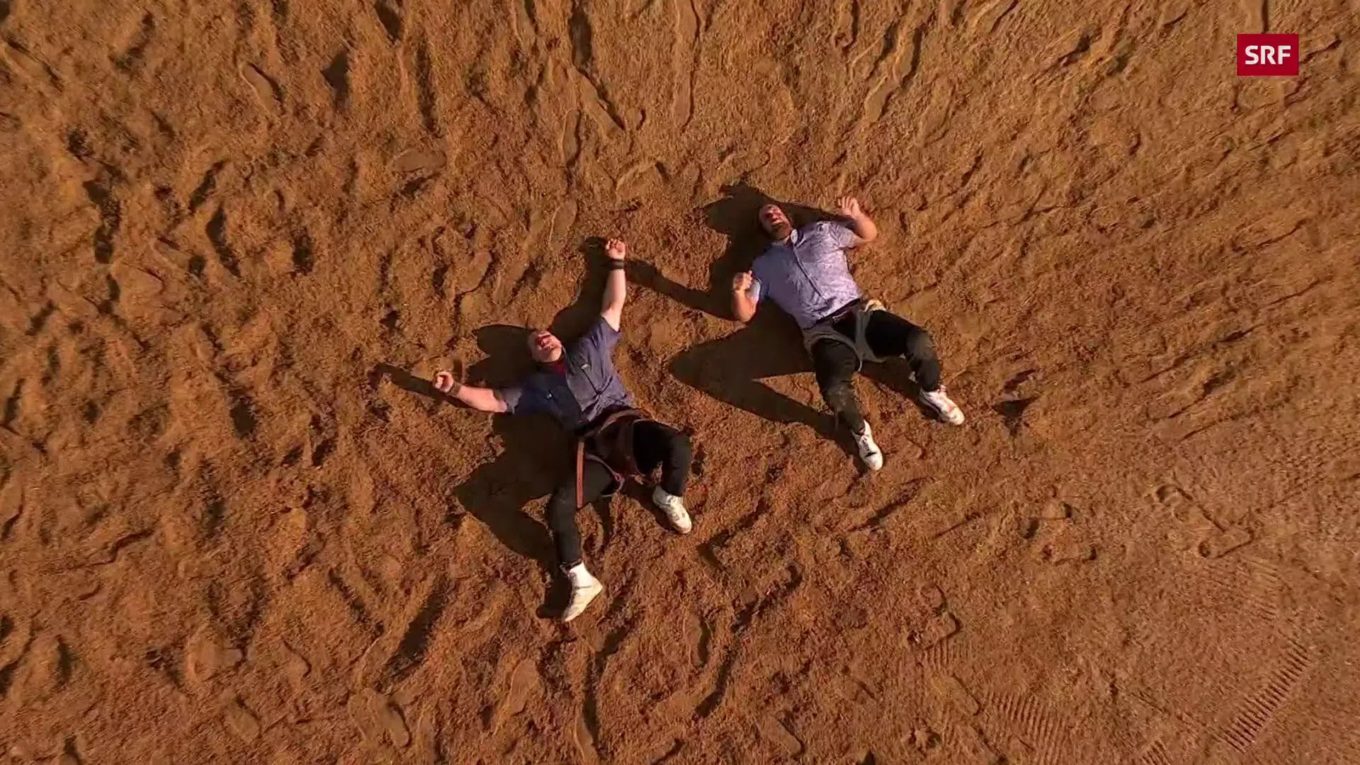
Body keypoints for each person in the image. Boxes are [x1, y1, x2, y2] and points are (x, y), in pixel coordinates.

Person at [433, 238, 694, 622]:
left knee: (678, 444)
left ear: (558, 338)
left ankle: (667, 495)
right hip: (596, 452)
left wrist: (617, 263)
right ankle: (580, 579)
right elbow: (493, 399)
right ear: (534, 357)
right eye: (535, 343)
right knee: (558, 506)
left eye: (545, 334)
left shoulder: (589, 347)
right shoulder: (534, 388)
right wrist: (454, 389)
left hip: (628, 426)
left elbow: (613, 305)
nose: (542, 338)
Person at [730, 196, 964, 471]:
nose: (772, 215)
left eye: (775, 210)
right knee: (833, 390)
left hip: (860, 314)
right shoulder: (762, 266)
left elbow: (867, 235)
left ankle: (931, 391)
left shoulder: (821, 232)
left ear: (787, 216)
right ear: (763, 229)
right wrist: (738, 292)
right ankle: (860, 431)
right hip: (823, 333)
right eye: (766, 216)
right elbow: (745, 313)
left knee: (918, 340)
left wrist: (857, 216)